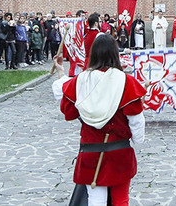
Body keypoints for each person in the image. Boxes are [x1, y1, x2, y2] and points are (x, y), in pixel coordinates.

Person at [51, 33, 146, 206]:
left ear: (93, 54)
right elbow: (136, 119)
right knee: (120, 201)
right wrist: (138, 141)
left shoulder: (81, 81)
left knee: (96, 201)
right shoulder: (126, 82)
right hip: (120, 153)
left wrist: (61, 73)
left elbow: (67, 102)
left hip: (91, 154)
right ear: (115, 54)